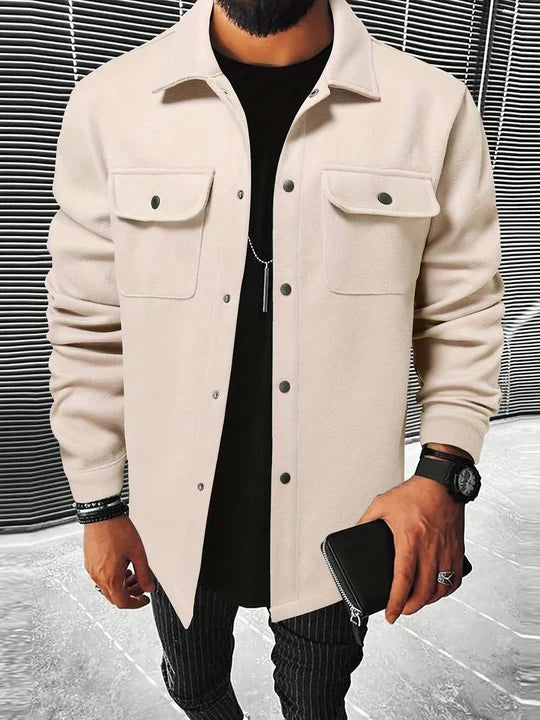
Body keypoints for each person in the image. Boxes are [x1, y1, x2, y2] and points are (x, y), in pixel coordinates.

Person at [45, 0, 505, 717]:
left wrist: (445, 474)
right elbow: (88, 320)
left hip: (340, 517)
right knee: (193, 684)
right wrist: (98, 504)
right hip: (178, 520)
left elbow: (462, 312)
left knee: (316, 702)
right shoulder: (111, 104)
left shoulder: (430, 108)